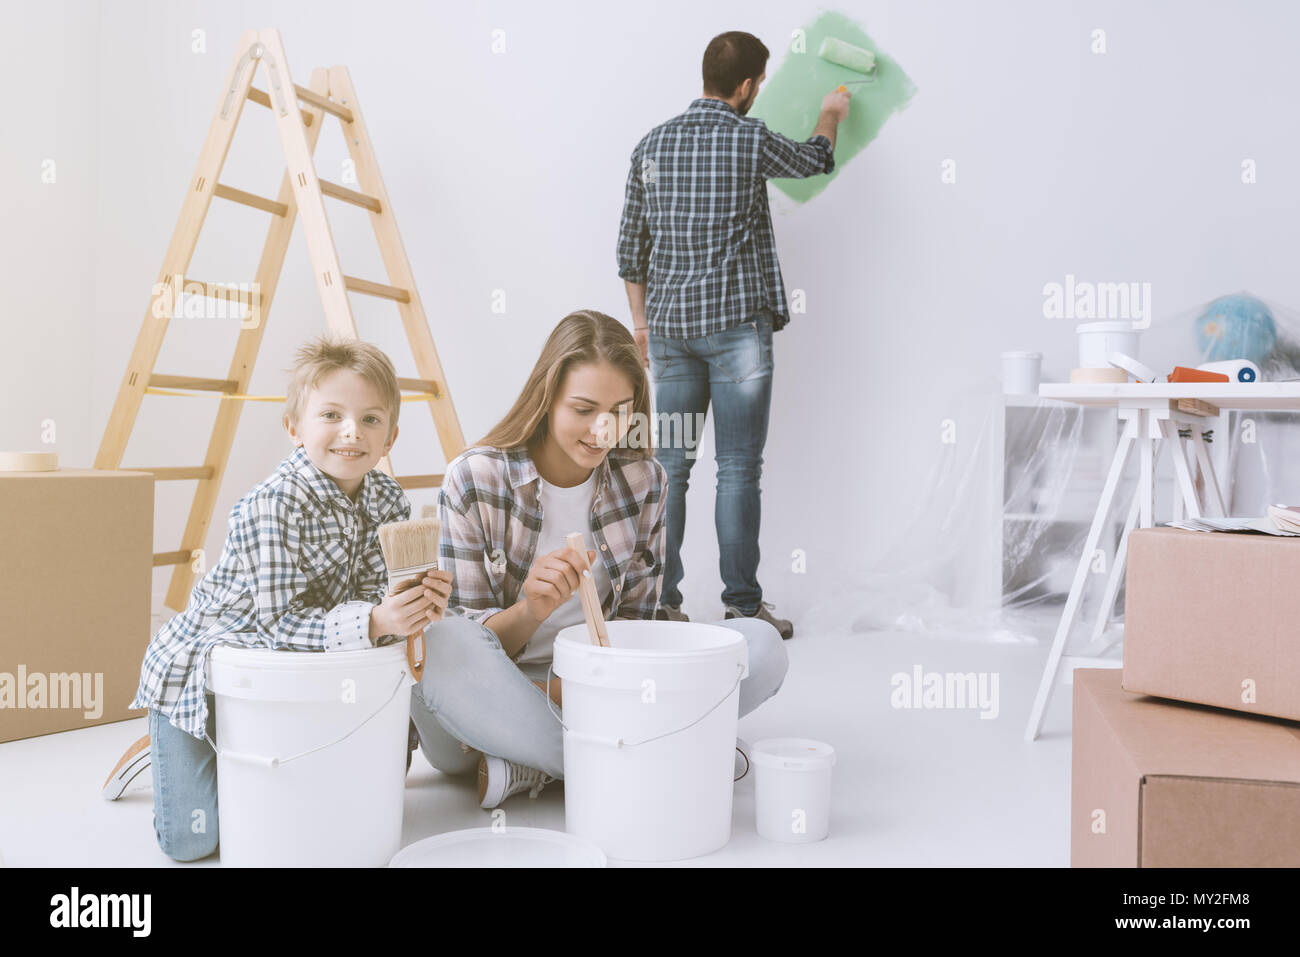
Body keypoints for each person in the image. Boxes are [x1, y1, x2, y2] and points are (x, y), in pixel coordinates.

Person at [409, 309, 788, 808]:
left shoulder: (645, 480)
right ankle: (651, 755)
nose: (602, 429)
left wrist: (586, 687)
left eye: (620, 410)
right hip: (492, 698)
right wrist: (530, 611)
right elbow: (465, 641)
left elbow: (637, 626)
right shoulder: (475, 478)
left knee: (758, 645)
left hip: (598, 687)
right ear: (546, 400)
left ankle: (536, 762)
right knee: (441, 644)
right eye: (583, 409)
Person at [108, 336, 452, 861]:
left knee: (367, 784)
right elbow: (280, 628)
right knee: (194, 841)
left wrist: (414, 601)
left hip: (296, 673)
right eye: (331, 415)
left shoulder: (386, 498)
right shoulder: (271, 505)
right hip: (209, 665)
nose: (351, 432)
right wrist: (376, 619)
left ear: (391, 437)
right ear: (294, 427)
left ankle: (237, 745)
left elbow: (370, 600)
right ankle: (174, 738)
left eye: (371, 420)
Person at [617, 31, 851, 639]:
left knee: (669, 467)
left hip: (667, 333)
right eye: (760, 84)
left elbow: (629, 252)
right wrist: (830, 114)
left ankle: (660, 603)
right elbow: (814, 160)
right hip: (737, 334)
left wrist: (640, 326)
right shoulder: (748, 138)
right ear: (746, 87)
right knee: (738, 470)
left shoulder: (651, 144)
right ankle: (743, 609)